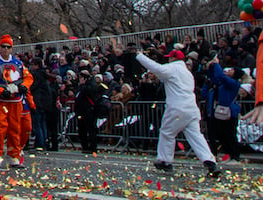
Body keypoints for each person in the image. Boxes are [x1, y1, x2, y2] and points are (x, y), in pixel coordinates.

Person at [110, 38, 218, 176]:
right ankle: (210, 162)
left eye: (169, 58)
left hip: (177, 107)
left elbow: (157, 68)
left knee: (167, 132)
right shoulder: (187, 73)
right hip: (191, 108)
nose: (168, 60)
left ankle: (165, 161)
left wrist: (140, 56)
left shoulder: (173, 69)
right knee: (196, 136)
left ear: (173, 58)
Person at [0, 34, 32, 169]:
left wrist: (23, 87)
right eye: (3, 47)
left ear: (11, 48)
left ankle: (14, 156)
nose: (5, 49)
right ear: (0, 47)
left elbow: (28, 77)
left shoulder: (18, 63)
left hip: (15, 101)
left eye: (8, 47)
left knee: (15, 129)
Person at [203, 54, 241, 162]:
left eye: (231, 70)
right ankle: (229, 153)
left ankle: (235, 156)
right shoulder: (223, 83)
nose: (228, 71)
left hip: (230, 113)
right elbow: (215, 78)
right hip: (220, 112)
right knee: (220, 134)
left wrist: (216, 64)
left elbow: (220, 76)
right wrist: (211, 68)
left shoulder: (233, 83)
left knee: (230, 134)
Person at [73, 70, 105, 154]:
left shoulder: (91, 86)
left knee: (91, 129)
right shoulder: (82, 86)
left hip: (89, 110)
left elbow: (86, 94)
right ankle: (85, 146)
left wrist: (83, 85)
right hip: (81, 111)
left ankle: (92, 146)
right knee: (82, 130)